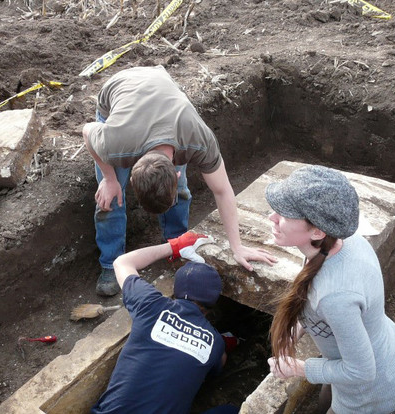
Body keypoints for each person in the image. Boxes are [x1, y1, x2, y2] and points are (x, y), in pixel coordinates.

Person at [263, 165, 395, 414]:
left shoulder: (335, 295)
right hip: (389, 359)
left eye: (284, 214)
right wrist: (294, 332)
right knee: (325, 401)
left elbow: (360, 371)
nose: (272, 218)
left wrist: (299, 368)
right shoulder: (342, 243)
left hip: (369, 386)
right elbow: (316, 307)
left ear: (317, 231)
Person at [82, 65, 276, 296]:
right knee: (110, 199)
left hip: (163, 94)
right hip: (119, 92)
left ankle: (176, 243)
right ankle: (109, 263)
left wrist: (238, 247)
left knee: (180, 193)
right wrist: (110, 178)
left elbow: (223, 190)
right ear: (132, 176)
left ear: (177, 171)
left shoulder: (197, 139)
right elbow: (87, 131)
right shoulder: (114, 143)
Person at [90, 231, 236, 414]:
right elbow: (219, 366)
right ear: (212, 305)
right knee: (230, 411)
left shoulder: (151, 304)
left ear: (175, 291)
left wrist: (173, 246)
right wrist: (219, 346)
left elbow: (122, 262)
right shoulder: (214, 342)